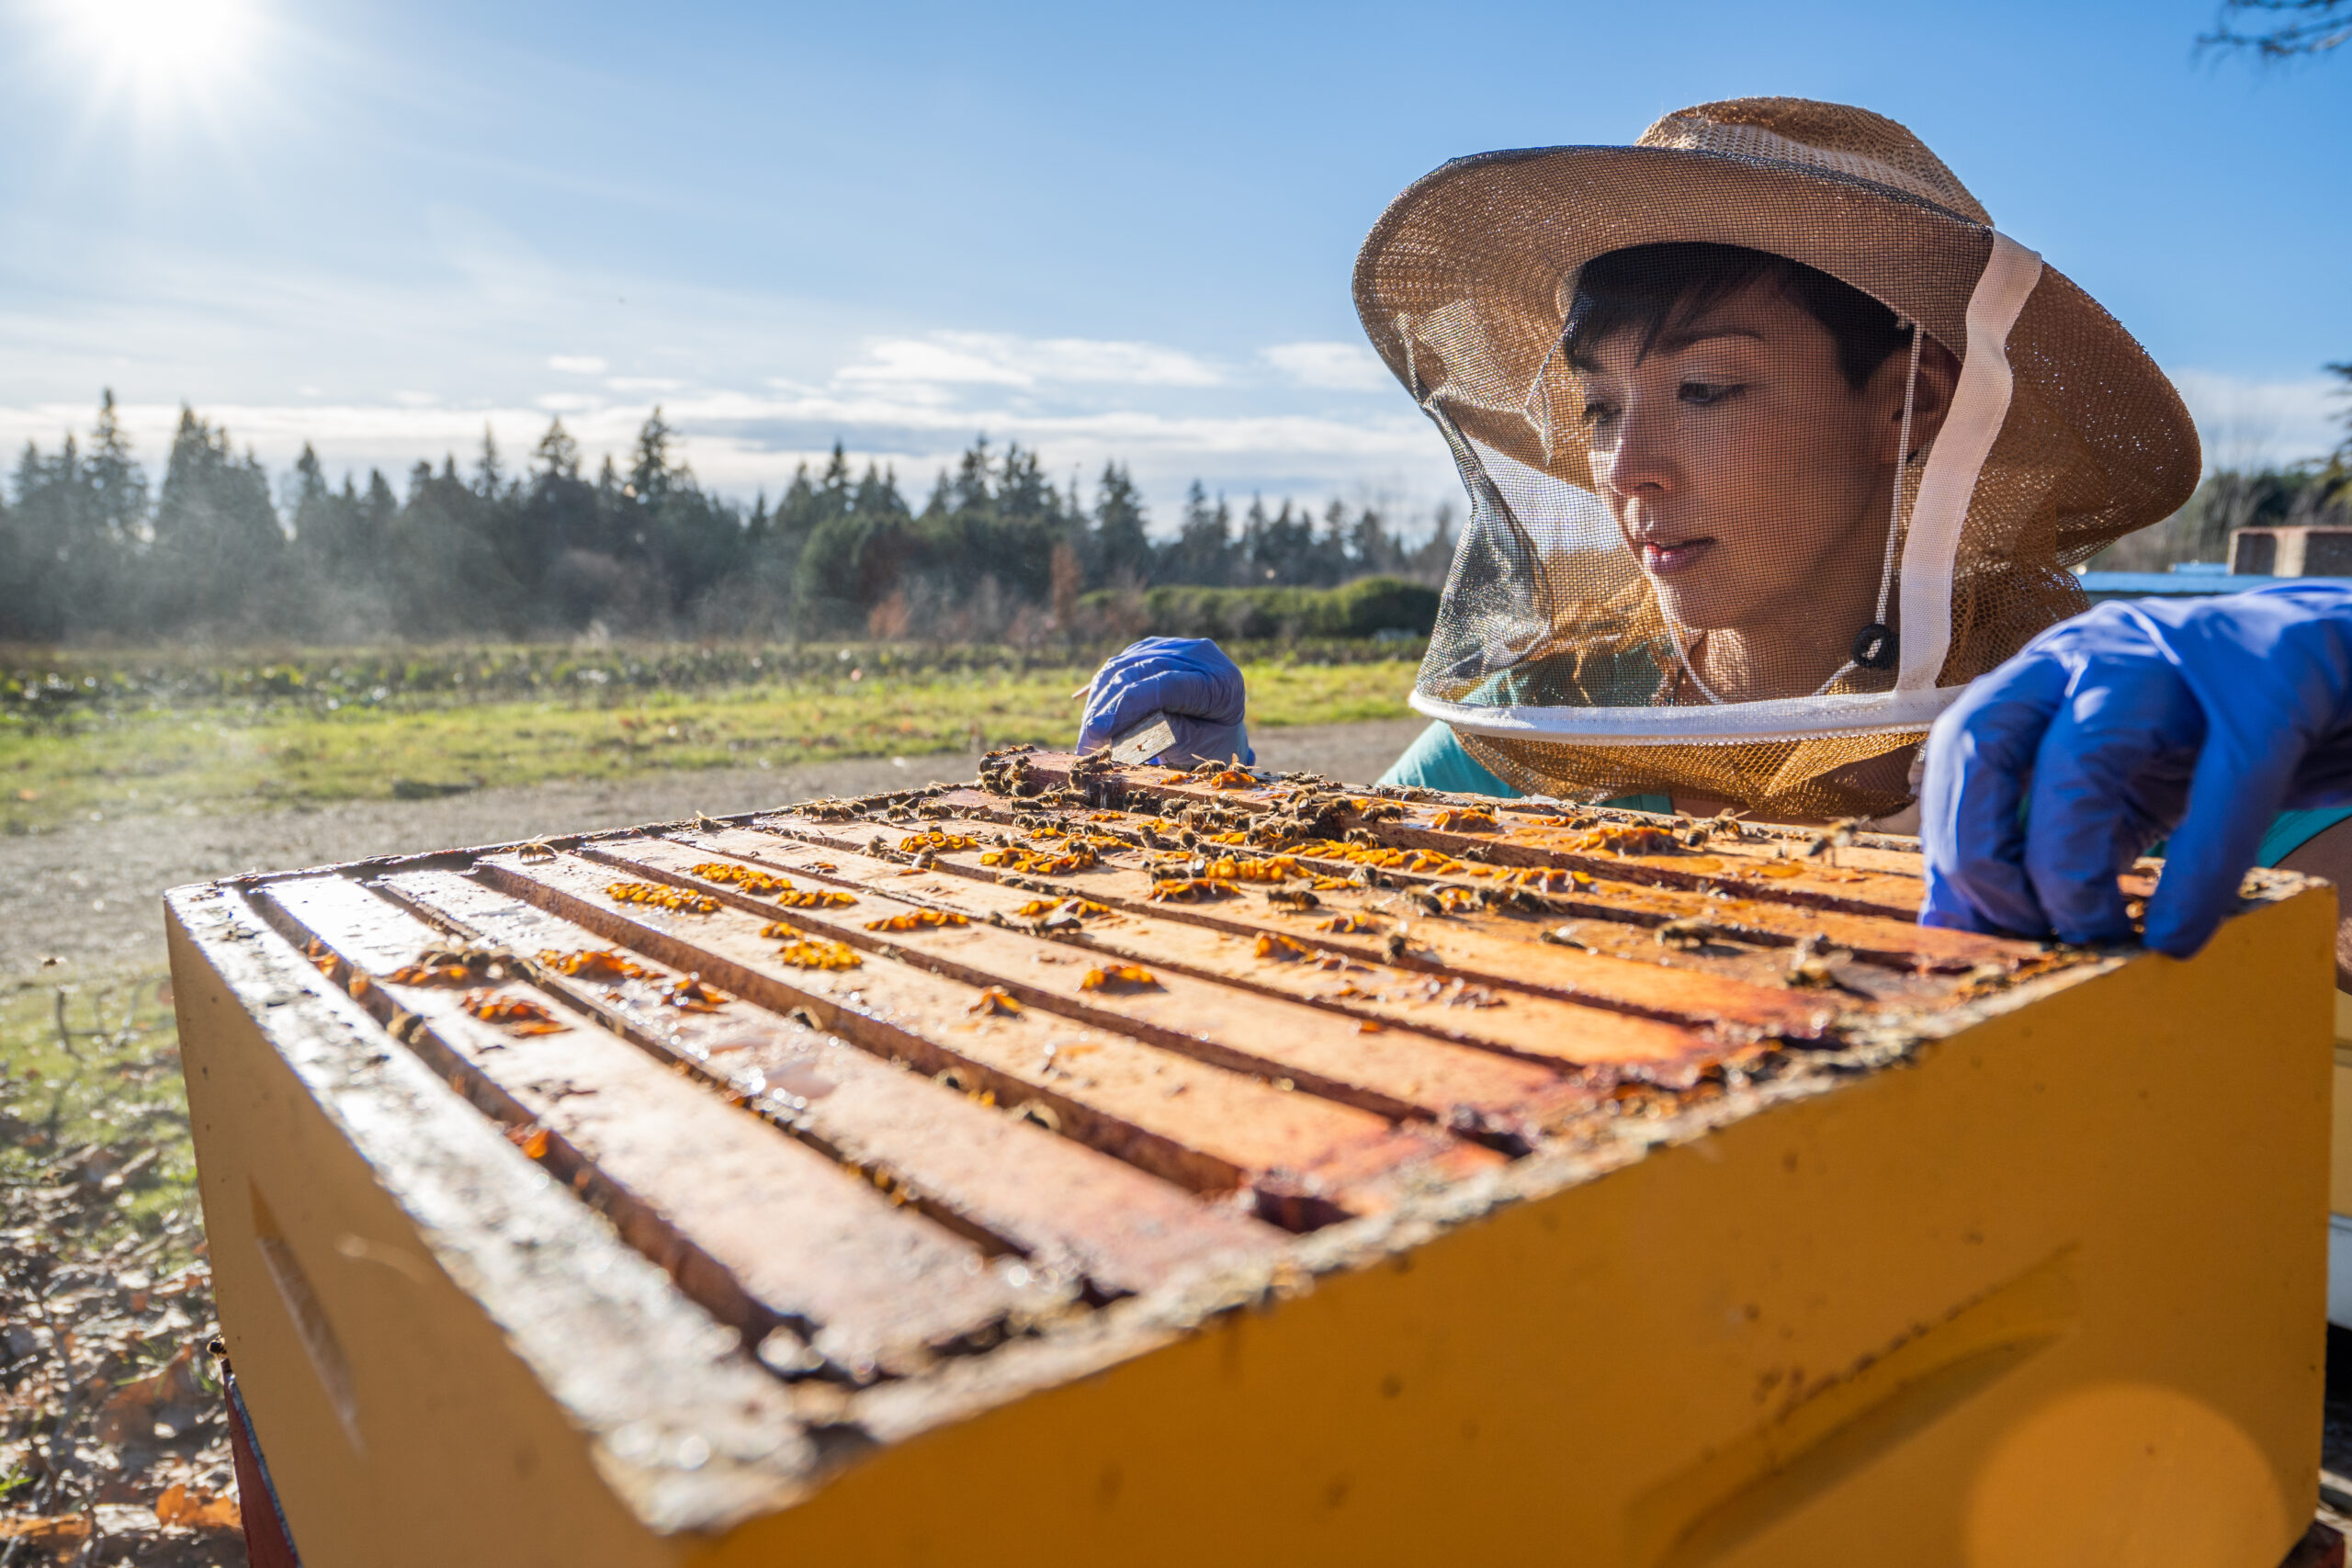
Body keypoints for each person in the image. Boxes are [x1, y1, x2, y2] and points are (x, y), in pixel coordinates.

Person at [1078, 96, 2352, 969]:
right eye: (1600, 406)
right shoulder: (1560, 713)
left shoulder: (2119, 728)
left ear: (1907, 403)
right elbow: (1340, 931)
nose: (1628, 468)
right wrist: (1223, 812)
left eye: (1708, 388)